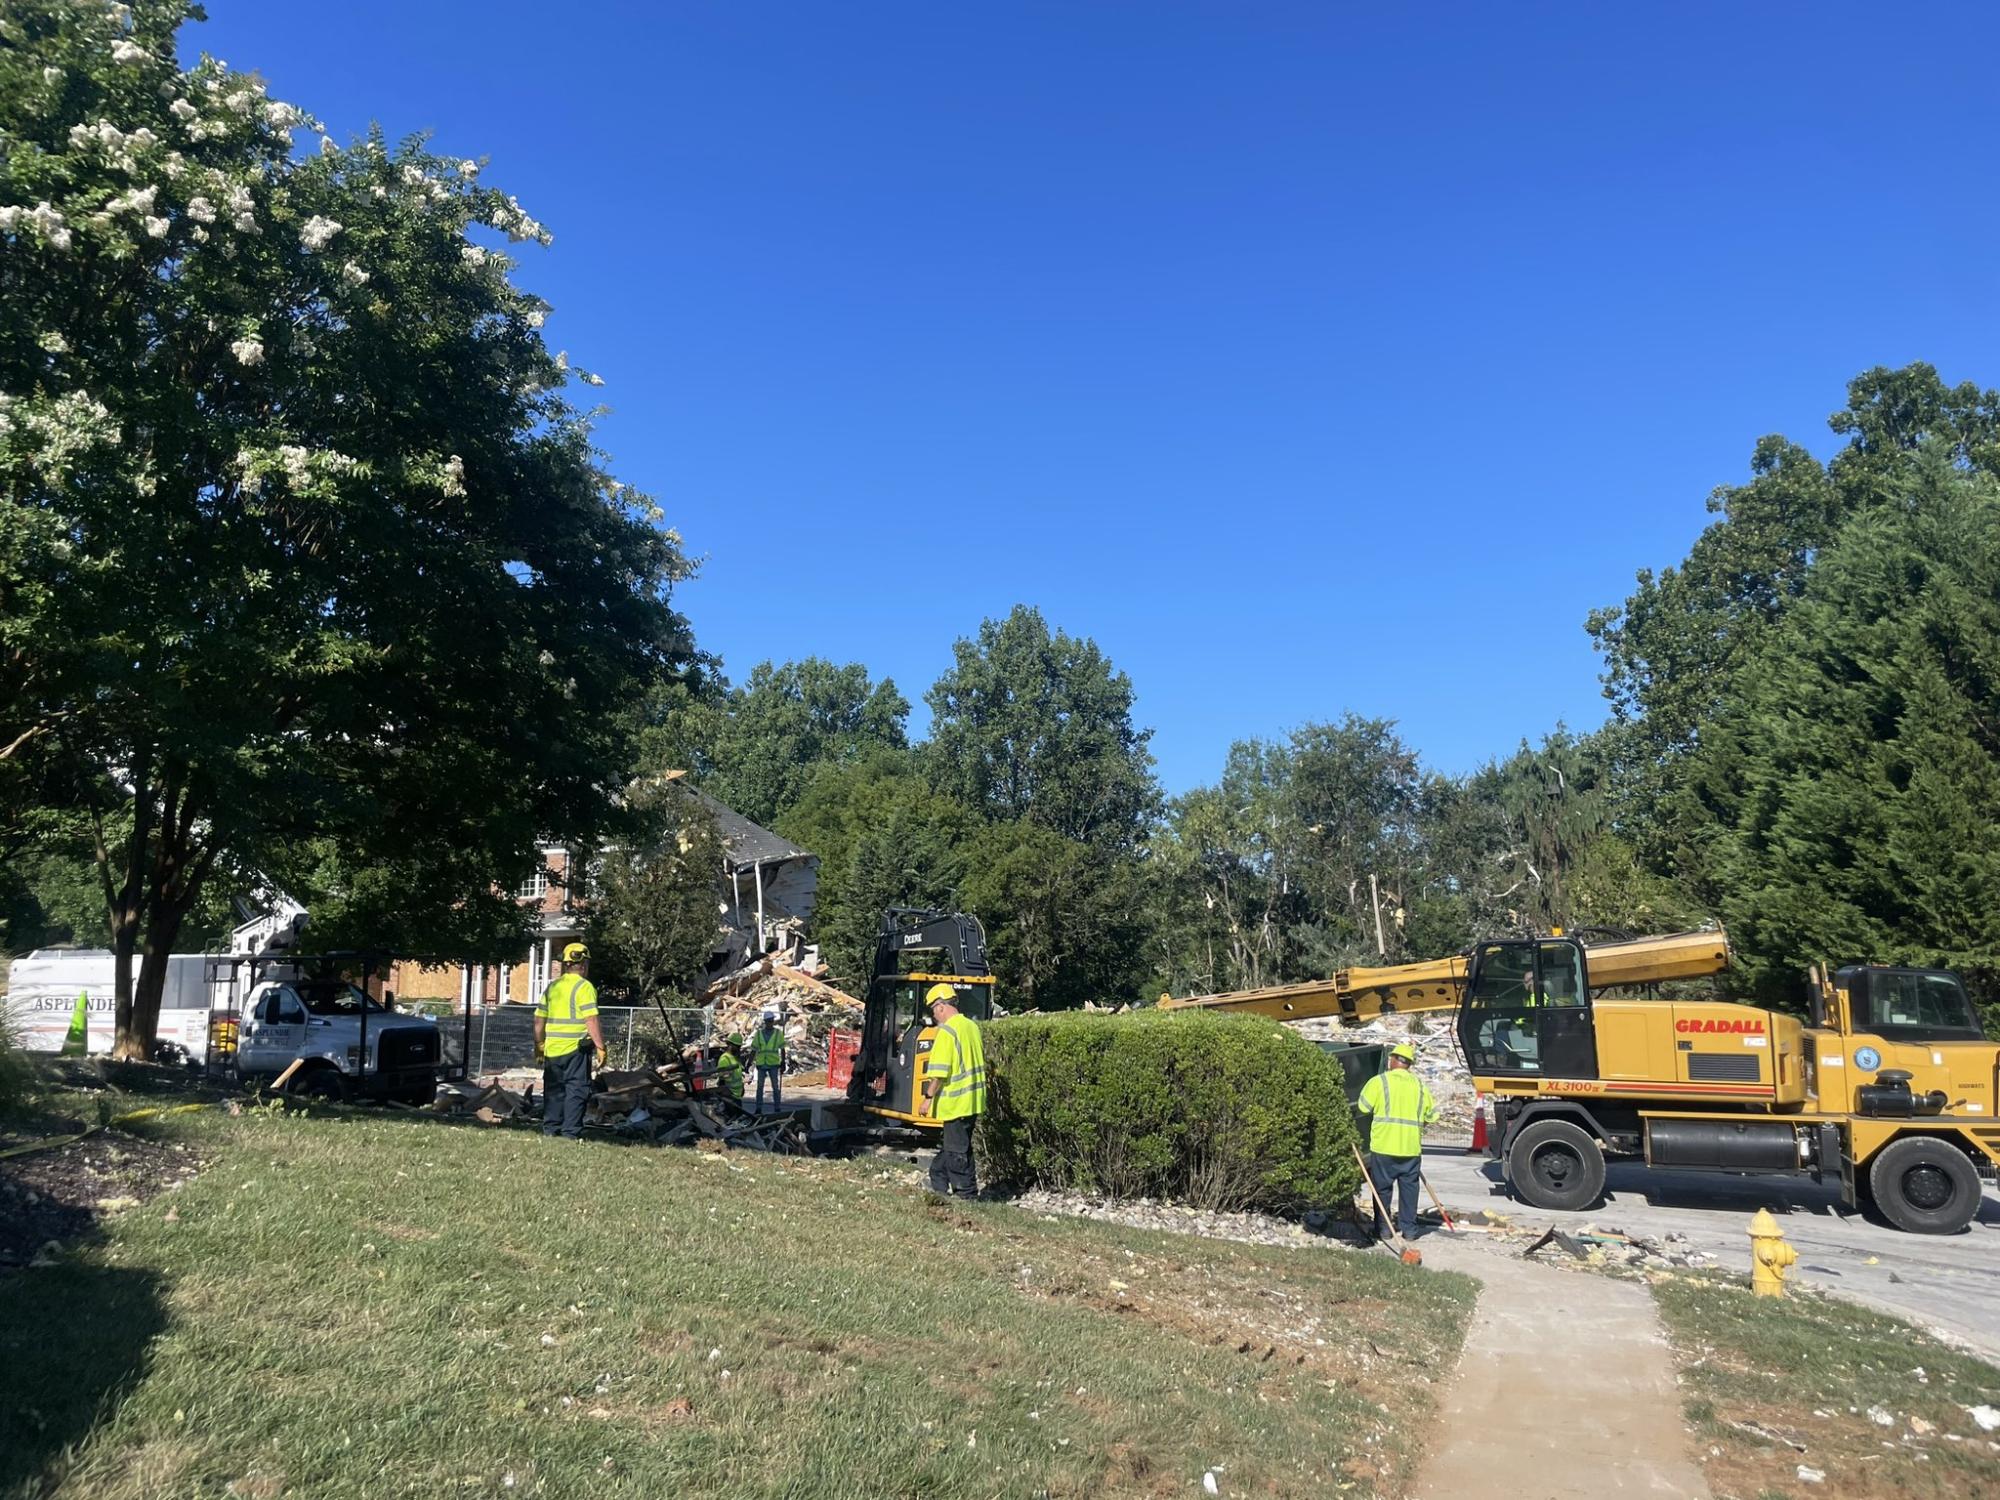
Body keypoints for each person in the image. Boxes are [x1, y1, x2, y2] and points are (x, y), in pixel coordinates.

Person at [1356, 1043, 1436, 1241]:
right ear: (1409, 1064)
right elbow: (1432, 1116)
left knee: (1382, 1190)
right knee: (1409, 1191)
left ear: (1393, 1060)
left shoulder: (1379, 1082)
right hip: (1410, 1149)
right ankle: (1409, 1230)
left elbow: (1363, 1107)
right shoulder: (1420, 1086)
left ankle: (1383, 1230)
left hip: (1384, 1147)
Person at [921, 983, 987, 1196]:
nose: (934, 1015)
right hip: (974, 1100)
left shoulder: (947, 1032)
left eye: (933, 1010)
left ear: (941, 1006)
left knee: (957, 1151)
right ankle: (938, 1182)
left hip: (956, 1103)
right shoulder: (971, 1026)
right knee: (956, 1148)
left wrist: (927, 1097)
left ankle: (965, 1195)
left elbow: (940, 1073)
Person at [535, 942, 604, 1140]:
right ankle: (570, 1133)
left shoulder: (552, 987)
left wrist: (539, 1045)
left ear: (566, 964)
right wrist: (600, 1047)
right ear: (583, 965)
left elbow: (539, 1020)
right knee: (577, 1090)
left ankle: (550, 1129)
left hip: (552, 1049)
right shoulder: (584, 987)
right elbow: (590, 1019)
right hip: (576, 1049)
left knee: (554, 1089)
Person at [750, 1010, 786, 1112]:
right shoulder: (759, 1034)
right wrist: (749, 1062)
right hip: (761, 1063)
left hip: (774, 1063)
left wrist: (783, 1062)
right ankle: (758, 1108)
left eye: (771, 1020)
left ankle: (777, 1107)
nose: (770, 1022)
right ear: (765, 1022)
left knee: (775, 1086)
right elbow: (754, 1049)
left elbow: (782, 1048)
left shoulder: (778, 1033)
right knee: (760, 1087)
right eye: (768, 1021)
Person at [714, 1034, 745, 1102]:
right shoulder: (725, 1058)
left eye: (739, 1046)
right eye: (737, 1046)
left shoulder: (735, 1058)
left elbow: (738, 1076)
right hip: (729, 1097)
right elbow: (723, 1078)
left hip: (737, 1096)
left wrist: (742, 1087)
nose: (739, 1048)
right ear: (730, 1045)